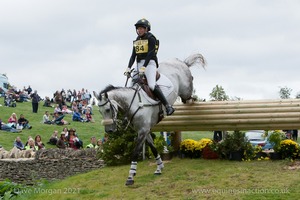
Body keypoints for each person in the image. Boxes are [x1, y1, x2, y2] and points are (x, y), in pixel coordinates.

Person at [125, 18, 174, 115]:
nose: (139, 30)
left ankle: (167, 106)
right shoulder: (137, 40)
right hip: (138, 64)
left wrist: (144, 67)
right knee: (131, 86)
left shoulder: (151, 38)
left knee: (151, 85)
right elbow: (133, 56)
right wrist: (128, 68)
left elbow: (150, 54)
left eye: (141, 28)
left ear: (146, 29)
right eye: (138, 29)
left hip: (150, 63)